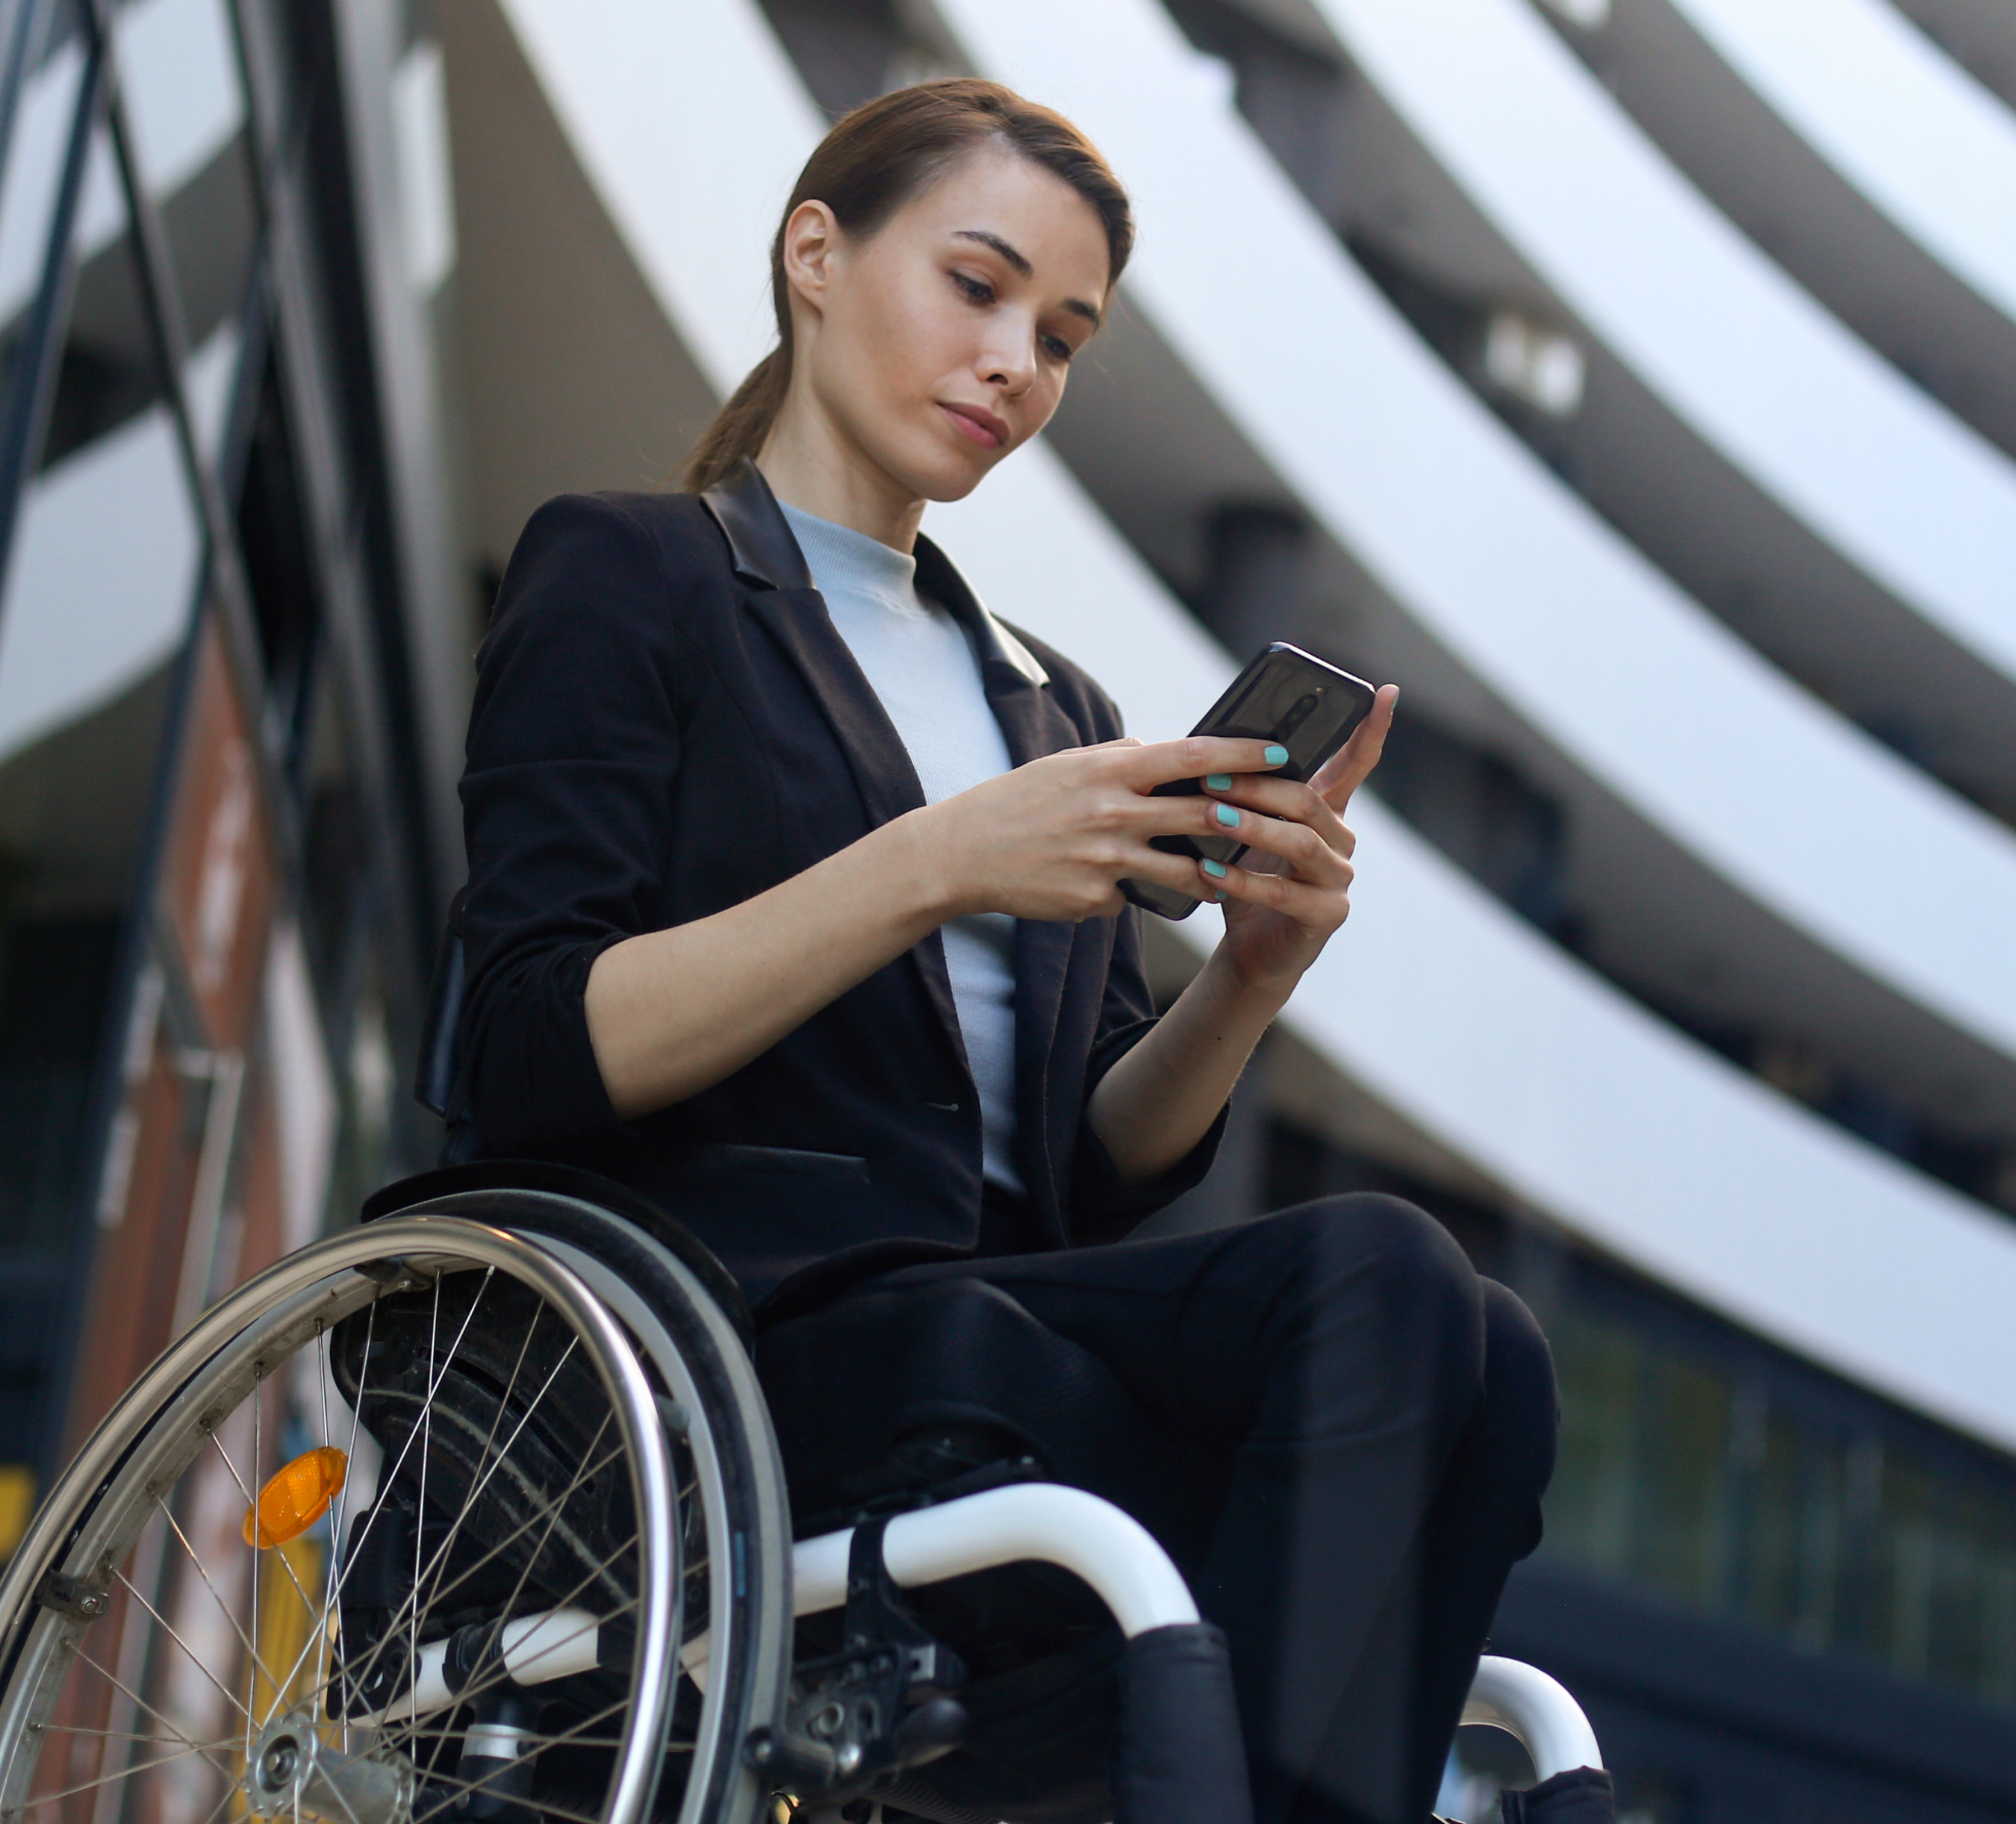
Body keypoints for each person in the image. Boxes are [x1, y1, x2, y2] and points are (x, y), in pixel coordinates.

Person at [440, 77, 1558, 1824]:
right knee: (1391, 1279)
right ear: (813, 254)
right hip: (732, 1330)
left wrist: (1250, 974)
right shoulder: (633, 573)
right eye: (975, 288)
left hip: (992, 1311)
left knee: (1489, 1353)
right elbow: (525, 1042)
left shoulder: (1050, 710)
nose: (1015, 365)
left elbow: (1087, 1172)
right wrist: (935, 861)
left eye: (1060, 335)